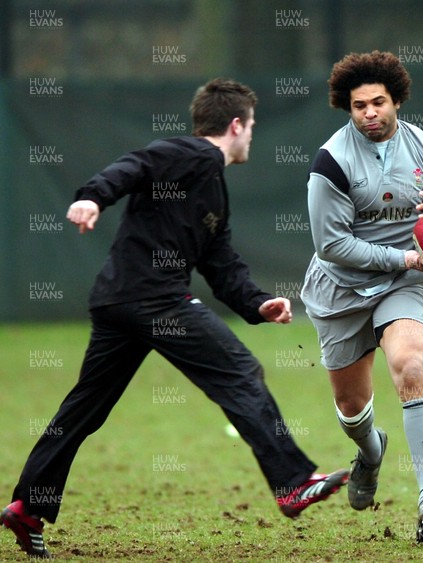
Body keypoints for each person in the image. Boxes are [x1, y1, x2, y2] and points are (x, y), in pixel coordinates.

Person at [0, 78, 348, 559]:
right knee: (240, 372)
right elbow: (137, 164)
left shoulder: (211, 191)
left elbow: (221, 264)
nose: (251, 136)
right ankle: (292, 482)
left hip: (118, 300)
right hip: (152, 299)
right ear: (235, 125)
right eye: (251, 127)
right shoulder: (195, 155)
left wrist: (258, 303)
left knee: (84, 409)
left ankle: (27, 506)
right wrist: (93, 196)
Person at [301, 51, 423, 544]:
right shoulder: (330, 162)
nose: (369, 113)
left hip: (404, 284)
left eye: (378, 102)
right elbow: (331, 245)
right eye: (359, 106)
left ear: (396, 100)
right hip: (342, 288)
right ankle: (371, 452)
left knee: (412, 367)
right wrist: (403, 259)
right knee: (352, 407)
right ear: (347, 108)